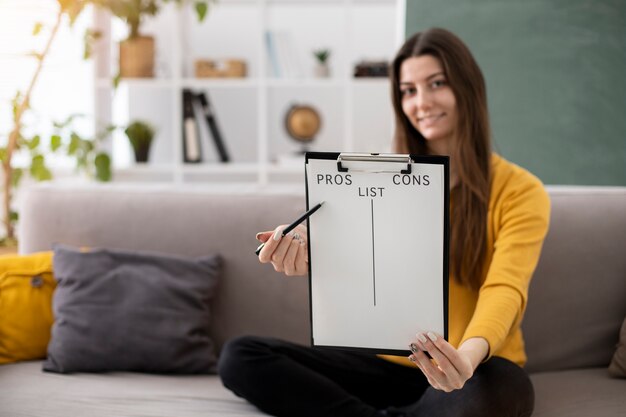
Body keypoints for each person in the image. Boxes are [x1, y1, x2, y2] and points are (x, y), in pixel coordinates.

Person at [218, 27, 550, 417]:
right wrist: (314, 250)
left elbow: (506, 289)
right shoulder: (375, 179)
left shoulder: (520, 191)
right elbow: (359, 269)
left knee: (502, 390)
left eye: (436, 84)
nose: (421, 102)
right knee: (241, 355)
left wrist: (466, 359)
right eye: (408, 90)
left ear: (468, 88)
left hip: (470, 367)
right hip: (385, 366)